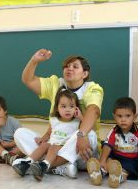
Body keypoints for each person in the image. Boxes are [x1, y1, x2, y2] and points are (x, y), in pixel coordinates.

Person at [12, 49, 104, 177]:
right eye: (67, 66)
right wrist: (34, 61)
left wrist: (82, 135)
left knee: (92, 134)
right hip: (55, 143)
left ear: (84, 74)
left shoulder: (93, 88)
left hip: (81, 150)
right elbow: (28, 80)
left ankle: (44, 165)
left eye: (75, 67)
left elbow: (93, 110)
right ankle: (59, 167)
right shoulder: (56, 84)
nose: (69, 68)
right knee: (20, 133)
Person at [13, 87, 83, 181]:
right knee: (44, 145)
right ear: (57, 108)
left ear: (76, 108)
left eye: (71, 106)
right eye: (63, 106)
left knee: (53, 147)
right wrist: (42, 138)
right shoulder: (54, 120)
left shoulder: (76, 121)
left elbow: (84, 130)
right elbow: (48, 133)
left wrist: (81, 117)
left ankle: (45, 165)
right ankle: (27, 162)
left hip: (64, 148)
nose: (68, 110)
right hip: (52, 144)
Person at [87, 97, 138, 188]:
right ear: (114, 117)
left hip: (131, 160)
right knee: (108, 160)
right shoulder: (113, 131)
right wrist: (102, 161)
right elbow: (107, 146)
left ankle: (118, 177)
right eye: (119, 116)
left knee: (127, 169)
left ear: (135, 117)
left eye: (128, 116)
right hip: (116, 157)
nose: (123, 120)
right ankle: (99, 173)